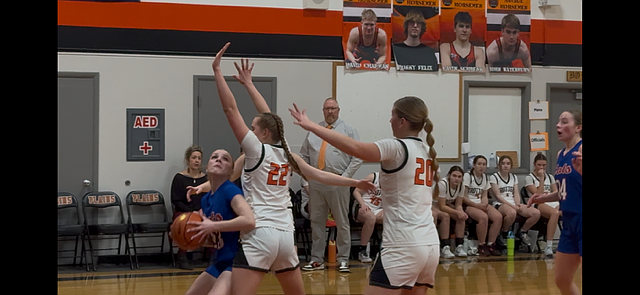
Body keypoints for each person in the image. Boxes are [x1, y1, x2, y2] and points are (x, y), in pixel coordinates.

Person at [208, 43, 375, 295]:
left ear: (264, 133)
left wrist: (217, 71)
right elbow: (319, 174)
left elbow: (230, 109)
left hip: (259, 232)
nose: (250, 131)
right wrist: (355, 183)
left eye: (254, 128)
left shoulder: (256, 149)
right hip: (286, 236)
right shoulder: (287, 153)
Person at [289, 95, 441, 295]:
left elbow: (356, 148)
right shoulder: (427, 150)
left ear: (402, 121)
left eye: (392, 115)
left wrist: (311, 126)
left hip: (403, 245)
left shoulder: (397, 147)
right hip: (430, 245)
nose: (390, 120)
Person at [299, 97, 363, 273]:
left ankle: (343, 259)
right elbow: (303, 156)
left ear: (338, 110)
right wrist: (307, 178)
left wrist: (344, 178)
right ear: (323, 111)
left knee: (342, 222)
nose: (330, 111)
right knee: (316, 222)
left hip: (337, 181)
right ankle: (316, 260)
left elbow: (357, 157)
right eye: (327, 109)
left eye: (333, 108)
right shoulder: (314, 130)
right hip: (316, 183)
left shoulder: (348, 131)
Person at [183, 149, 256, 295]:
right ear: (207, 166)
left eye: (225, 159)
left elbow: (249, 220)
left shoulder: (230, 190)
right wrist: (192, 238)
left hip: (237, 261)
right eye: (214, 157)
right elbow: (215, 238)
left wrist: (213, 225)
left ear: (231, 171)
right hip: (220, 260)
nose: (218, 160)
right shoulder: (205, 199)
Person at [528, 110, 582, 295]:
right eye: (558, 121)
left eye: (564, 121)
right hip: (568, 222)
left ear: (578, 128)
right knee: (562, 279)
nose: (558, 125)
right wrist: (544, 198)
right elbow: (564, 190)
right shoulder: (560, 154)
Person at [490, 155, 540, 252]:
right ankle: (503, 233)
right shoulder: (494, 177)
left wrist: (517, 204)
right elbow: (497, 196)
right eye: (503, 163)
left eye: (508, 164)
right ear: (499, 165)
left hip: (513, 203)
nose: (506, 166)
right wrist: (513, 206)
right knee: (512, 212)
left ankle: (521, 232)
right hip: (500, 204)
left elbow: (516, 192)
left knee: (536, 213)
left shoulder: (513, 177)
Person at [170, 145, 208, 270]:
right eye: (194, 158)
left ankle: (212, 256)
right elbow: (175, 200)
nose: (197, 161)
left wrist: (201, 211)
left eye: (199, 158)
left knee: (214, 220)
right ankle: (182, 256)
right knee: (187, 223)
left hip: (202, 212)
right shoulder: (179, 178)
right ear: (188, 160)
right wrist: (190, 212)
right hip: (183, 212)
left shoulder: (206, 179)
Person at [462, 155, 502, 256]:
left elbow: (484, 195)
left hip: (480, 203)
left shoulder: (485, 177)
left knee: (498, 217)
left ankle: (491, 244)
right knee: (483, 217)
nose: (481, 166)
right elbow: (463, 197)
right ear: (474, 165)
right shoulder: (468, 176)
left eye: (484, 164)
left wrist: (484, 204)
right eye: (479, 164)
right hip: (469, 204)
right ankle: (481, 244)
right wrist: (477, 205)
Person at [524, 153, 560, 257]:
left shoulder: (551, 177)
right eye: (539, 165)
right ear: (534, 164)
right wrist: (541, 178)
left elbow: (556, 192)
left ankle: (566, 243)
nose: (541, 167)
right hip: (538, 203)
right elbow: (538, 195)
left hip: (552, 201)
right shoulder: (529, 178)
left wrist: (550, 196)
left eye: (544, 165)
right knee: (554, 213)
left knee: (568, 209)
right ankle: (548, 245)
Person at [435, 166, 468, 258]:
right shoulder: (442, 184)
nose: (456, 179)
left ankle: (459, 246)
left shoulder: (461, 185)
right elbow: (442, 206)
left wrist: (461, 212)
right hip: (433, 204)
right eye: (454, 176)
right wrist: (457, 212)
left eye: (459, 177)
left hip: (446, 205)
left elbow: (458, 205)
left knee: (461, 217)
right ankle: (445, 247)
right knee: (445, 216)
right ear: (449, 176)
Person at [351, 171, 384, 263]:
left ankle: (385, 248)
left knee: (392, 217)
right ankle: (363, 250)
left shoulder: (394, 183)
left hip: (378, 209)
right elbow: (356, 192)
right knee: (371, 218)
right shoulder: (373, 177)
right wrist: (362, 204)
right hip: (362, 206)